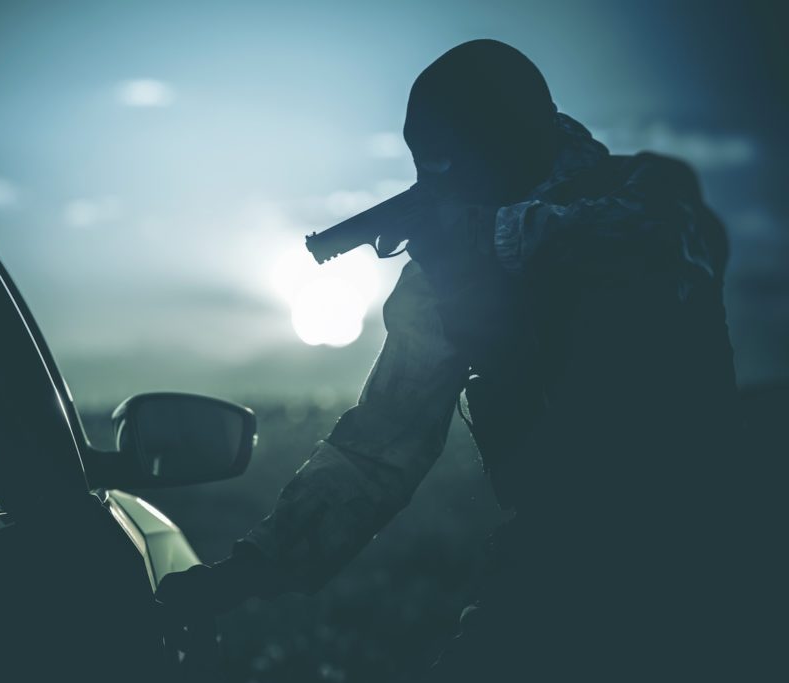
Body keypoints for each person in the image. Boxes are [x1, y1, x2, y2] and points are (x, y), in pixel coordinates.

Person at [157, 39, 748, 679]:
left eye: (457, 169)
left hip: (705, 552)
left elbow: (659, 239)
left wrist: (485, 239)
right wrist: (249, 571)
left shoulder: (645, 192)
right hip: (559, 556)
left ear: (515, 140)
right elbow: (378, 448)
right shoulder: (445, 273)